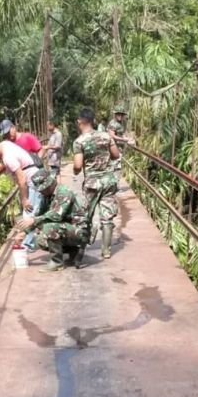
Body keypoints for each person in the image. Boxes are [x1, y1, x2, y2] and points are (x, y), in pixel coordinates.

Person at [17, 170, 90, 272]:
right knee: (41, 240)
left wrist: (33, 220)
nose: (41, 192)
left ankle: (57, 263)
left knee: (49, 228)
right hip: (66, 228)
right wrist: (25, 232)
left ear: (50, 184)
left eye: (43, 189)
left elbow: (56, 215)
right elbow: (40, 215)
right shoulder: (47, 196)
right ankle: (74, 251)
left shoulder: (64, 192)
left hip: (80, 230)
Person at [72, 107, 120, 260]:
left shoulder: (79, 141)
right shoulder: (106, 136)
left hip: (92, 183)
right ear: (92, 121)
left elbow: (78, 166)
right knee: (107, 217)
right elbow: (116, 155)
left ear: (80, 121)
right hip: (108, 181)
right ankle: (106, 251)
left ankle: (81, 250)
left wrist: (75, 170)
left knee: (86, 216)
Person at [0, 138, 42, 250]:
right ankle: (29, 243)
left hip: (32, 182)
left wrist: (24, 199)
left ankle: (27, 245)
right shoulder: (3, 145)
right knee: (30, 213)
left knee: (28, 213)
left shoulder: (8, 157)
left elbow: (21, 179)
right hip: (32, 181)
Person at [106, 104, 131, 183]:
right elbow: (112, 136)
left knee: (117, 167)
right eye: (118, 114)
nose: (120, 116)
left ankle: (114, 184)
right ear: (115, 114)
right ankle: (111, 185)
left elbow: (122, 134)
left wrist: (128, 139)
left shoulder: (121, 124)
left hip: (119, 149)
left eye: (121, 114)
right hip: (112, 148)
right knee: (112, 167)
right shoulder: (112, 123)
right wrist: (124, 140)